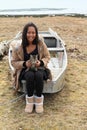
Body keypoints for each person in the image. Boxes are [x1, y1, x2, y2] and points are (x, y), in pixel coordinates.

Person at [11, 22, 51, 113]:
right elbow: (13, 62)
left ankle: (38, 102)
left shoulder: (40, 44)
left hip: (40, 68)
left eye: (33, 33)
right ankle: (29, 102)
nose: (31, 35)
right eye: (29, 32)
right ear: (25, 33)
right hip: (25, 70)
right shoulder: (18, 47)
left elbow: (47, 57)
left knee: (38, 75)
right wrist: (24, 64)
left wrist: (40, 62)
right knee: (30, 75)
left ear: (36, 34)